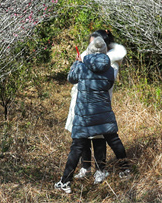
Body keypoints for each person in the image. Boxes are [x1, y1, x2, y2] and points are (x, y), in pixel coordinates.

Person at [55, 34, 128, 194]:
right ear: (104, 52)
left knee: (77, 147)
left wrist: (77, 62)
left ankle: (65, 181)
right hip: (103, 113)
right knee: (113, 140)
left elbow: (71, 79)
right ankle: (125, 167)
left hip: (84, 115)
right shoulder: (110, 70)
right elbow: (108, 83)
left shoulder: (81, 66)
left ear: (88, 51)